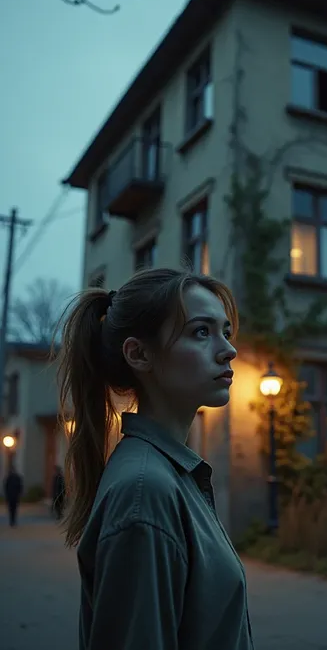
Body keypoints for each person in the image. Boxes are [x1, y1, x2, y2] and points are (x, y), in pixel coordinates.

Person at [55, 268, 253, 650]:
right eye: (201, 331)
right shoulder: (145, 492)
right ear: (139, 354)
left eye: (225, 331)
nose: (229, 349)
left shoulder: (168, 476)